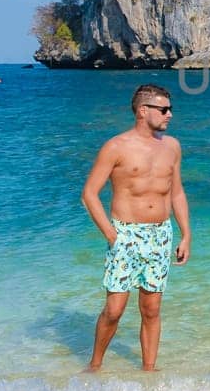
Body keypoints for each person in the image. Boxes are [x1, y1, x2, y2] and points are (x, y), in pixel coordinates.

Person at [81, 83, 191, 372]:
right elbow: (90, 193)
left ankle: (149, 371)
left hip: (161, 235)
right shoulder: (116, 147)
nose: (170, 115)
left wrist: (186, 234)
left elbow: (176, 192)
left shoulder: (172, 146)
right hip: (125, 234)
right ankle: (94, 366)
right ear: (144, 111)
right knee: (115, 310)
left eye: (171, 109)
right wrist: (110, 234)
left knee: (151, 309)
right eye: (163, 109)